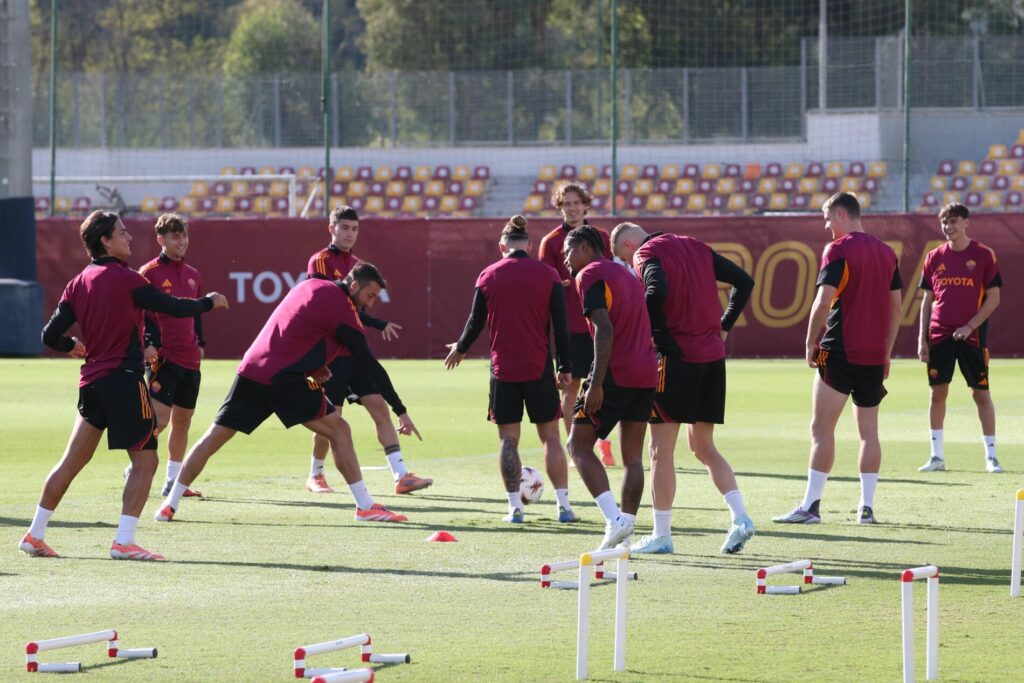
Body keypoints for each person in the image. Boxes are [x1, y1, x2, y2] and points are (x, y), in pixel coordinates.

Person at [21, 211, 227, 560]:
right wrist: (209, 302)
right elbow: (171, 307)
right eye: (122, 232)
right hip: (123, 381)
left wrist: (70, 345)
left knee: (71, 461)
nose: (129, 238)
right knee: (146, 462)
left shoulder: (77, 282)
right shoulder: (128, 279)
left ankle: (35, 534)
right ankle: (124, 541)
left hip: (92, 382)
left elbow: (49, 335)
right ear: (105, 240)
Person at [154, 264, 409, 525]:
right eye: (371, 296)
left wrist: (313, 366)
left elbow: (294, 330)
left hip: (252, 369)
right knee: (339, 430)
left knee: (213, 437)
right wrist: (400, 409)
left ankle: (169, 504)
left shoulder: (310, 286)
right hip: (282, 379)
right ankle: (365, 506)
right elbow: (370, 366)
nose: (372, 303)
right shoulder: (342, 306)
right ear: (354, 286)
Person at [611, 222, 756, 555]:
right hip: (712, 358)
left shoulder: (647, 252)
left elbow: (656, 290)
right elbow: (744, 281)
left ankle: (661, 534)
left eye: (623, 256)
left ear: (630, 245)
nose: (626, 264)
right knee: (703, 446)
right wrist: (724, 325)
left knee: (660, 451)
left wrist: (653, 333)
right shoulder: (696, 245)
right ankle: (741, 518)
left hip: (676, 359)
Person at [774, 192, 902, 525]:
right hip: (874, 356)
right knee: (869, 433)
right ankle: (867, 509)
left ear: (842, 214)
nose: (826, 226)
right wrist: (886, 352)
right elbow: (896, 309)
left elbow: (823, 300)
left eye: (828, 218)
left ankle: (811, 506)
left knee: (820, 429)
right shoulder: (887, 253)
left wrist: (809, 341)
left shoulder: (839, 249)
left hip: (841, 350)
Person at [444, 215, 577, 523]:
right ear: (529, 246)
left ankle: (515, 508)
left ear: (501, 245)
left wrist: (460, 349)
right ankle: (564, 507)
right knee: (551, 439)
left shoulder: (488, 275)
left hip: (503, 370)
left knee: (508, 440)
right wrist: (566, 367)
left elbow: (475, 321)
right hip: (539, 367)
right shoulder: (549, 275)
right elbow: (561, 325)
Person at [304, 205, 431, 495]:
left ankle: (401, 475)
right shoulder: (320, 261)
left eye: (354, 229)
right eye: (345, 228)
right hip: (333, 354)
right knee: (331, 414)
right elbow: (327, 307)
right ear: (332, 228)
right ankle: (316, 474)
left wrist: (376, 322)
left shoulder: (360, 264)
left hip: (355, 353)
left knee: (379, 408)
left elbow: (357, 311)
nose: (350, 234)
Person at [563, 226, 658, 550]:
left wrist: (596, 384)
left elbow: (604, 330)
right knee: (632, 457)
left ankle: (613, 519)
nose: (565, 259)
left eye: (569, 250)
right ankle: (625, 531)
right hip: (646, 373)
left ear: (587, 248)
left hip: (615, 372)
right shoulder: (628, 274)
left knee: (577, 445)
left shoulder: (589, 274)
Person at [124, 214, 207, 498]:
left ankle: (173, 481)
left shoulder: (194, 274)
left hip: (189, 358)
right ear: (161, 240)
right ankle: (134, 466)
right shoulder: (148, 273)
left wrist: (201, 342)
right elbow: (136, 314)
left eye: (183, 235)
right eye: (175, 236)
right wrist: (146, 343)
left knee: (183, 420)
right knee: (160, 420)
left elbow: (195, 311)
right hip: (163, 357)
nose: (181, 241)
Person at [917, 203, 1003, 473]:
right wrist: (922, 339)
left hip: (973, 337)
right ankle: (936, 456)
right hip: (939, 335)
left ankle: (991, 456)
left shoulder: (984, 254)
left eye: (953, 221)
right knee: (938, 392)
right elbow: (926, 301)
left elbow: (994, 299)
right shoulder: (934, 257)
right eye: (945, 222)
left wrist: (969, 326)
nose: (948, 227)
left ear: (966, 222)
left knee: (980, 393)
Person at [538, 182, 616, 466]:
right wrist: (559, 285)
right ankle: (576, 447)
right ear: (560, 207)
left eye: (575, 203)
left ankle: (602, 442)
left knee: (605, 385)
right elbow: (543, 283)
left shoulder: (602, 237)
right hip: (569, 326)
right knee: (571, 388)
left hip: (600, 324)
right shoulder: (551, 242)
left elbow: (611, 276)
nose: (571, 208)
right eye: (566, 204)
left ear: (585, 205)